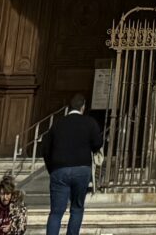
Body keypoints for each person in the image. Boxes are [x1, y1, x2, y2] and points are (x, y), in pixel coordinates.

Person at [41, 95, 103, 235]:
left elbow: (45, 149)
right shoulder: (89, 122)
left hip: (59, 170)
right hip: (82, 169)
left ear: (69, 107)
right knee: (77, 208)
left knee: (56, 212)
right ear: (83, 107)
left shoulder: (57, 123)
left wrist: (52, 168)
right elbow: (98, 143)